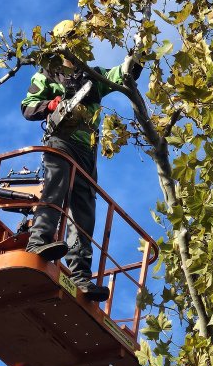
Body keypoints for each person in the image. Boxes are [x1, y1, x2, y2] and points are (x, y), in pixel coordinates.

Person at [20, 52, 139, 302]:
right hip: (61, 141)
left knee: (84, 208)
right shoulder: (47, 74)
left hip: (87, 150)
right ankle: (38, 242)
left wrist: (137, 57)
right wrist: (50, 105)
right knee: (55, 189)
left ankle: (80, 274)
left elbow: (119, 74)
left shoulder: (92, 75)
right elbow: (28, 107)